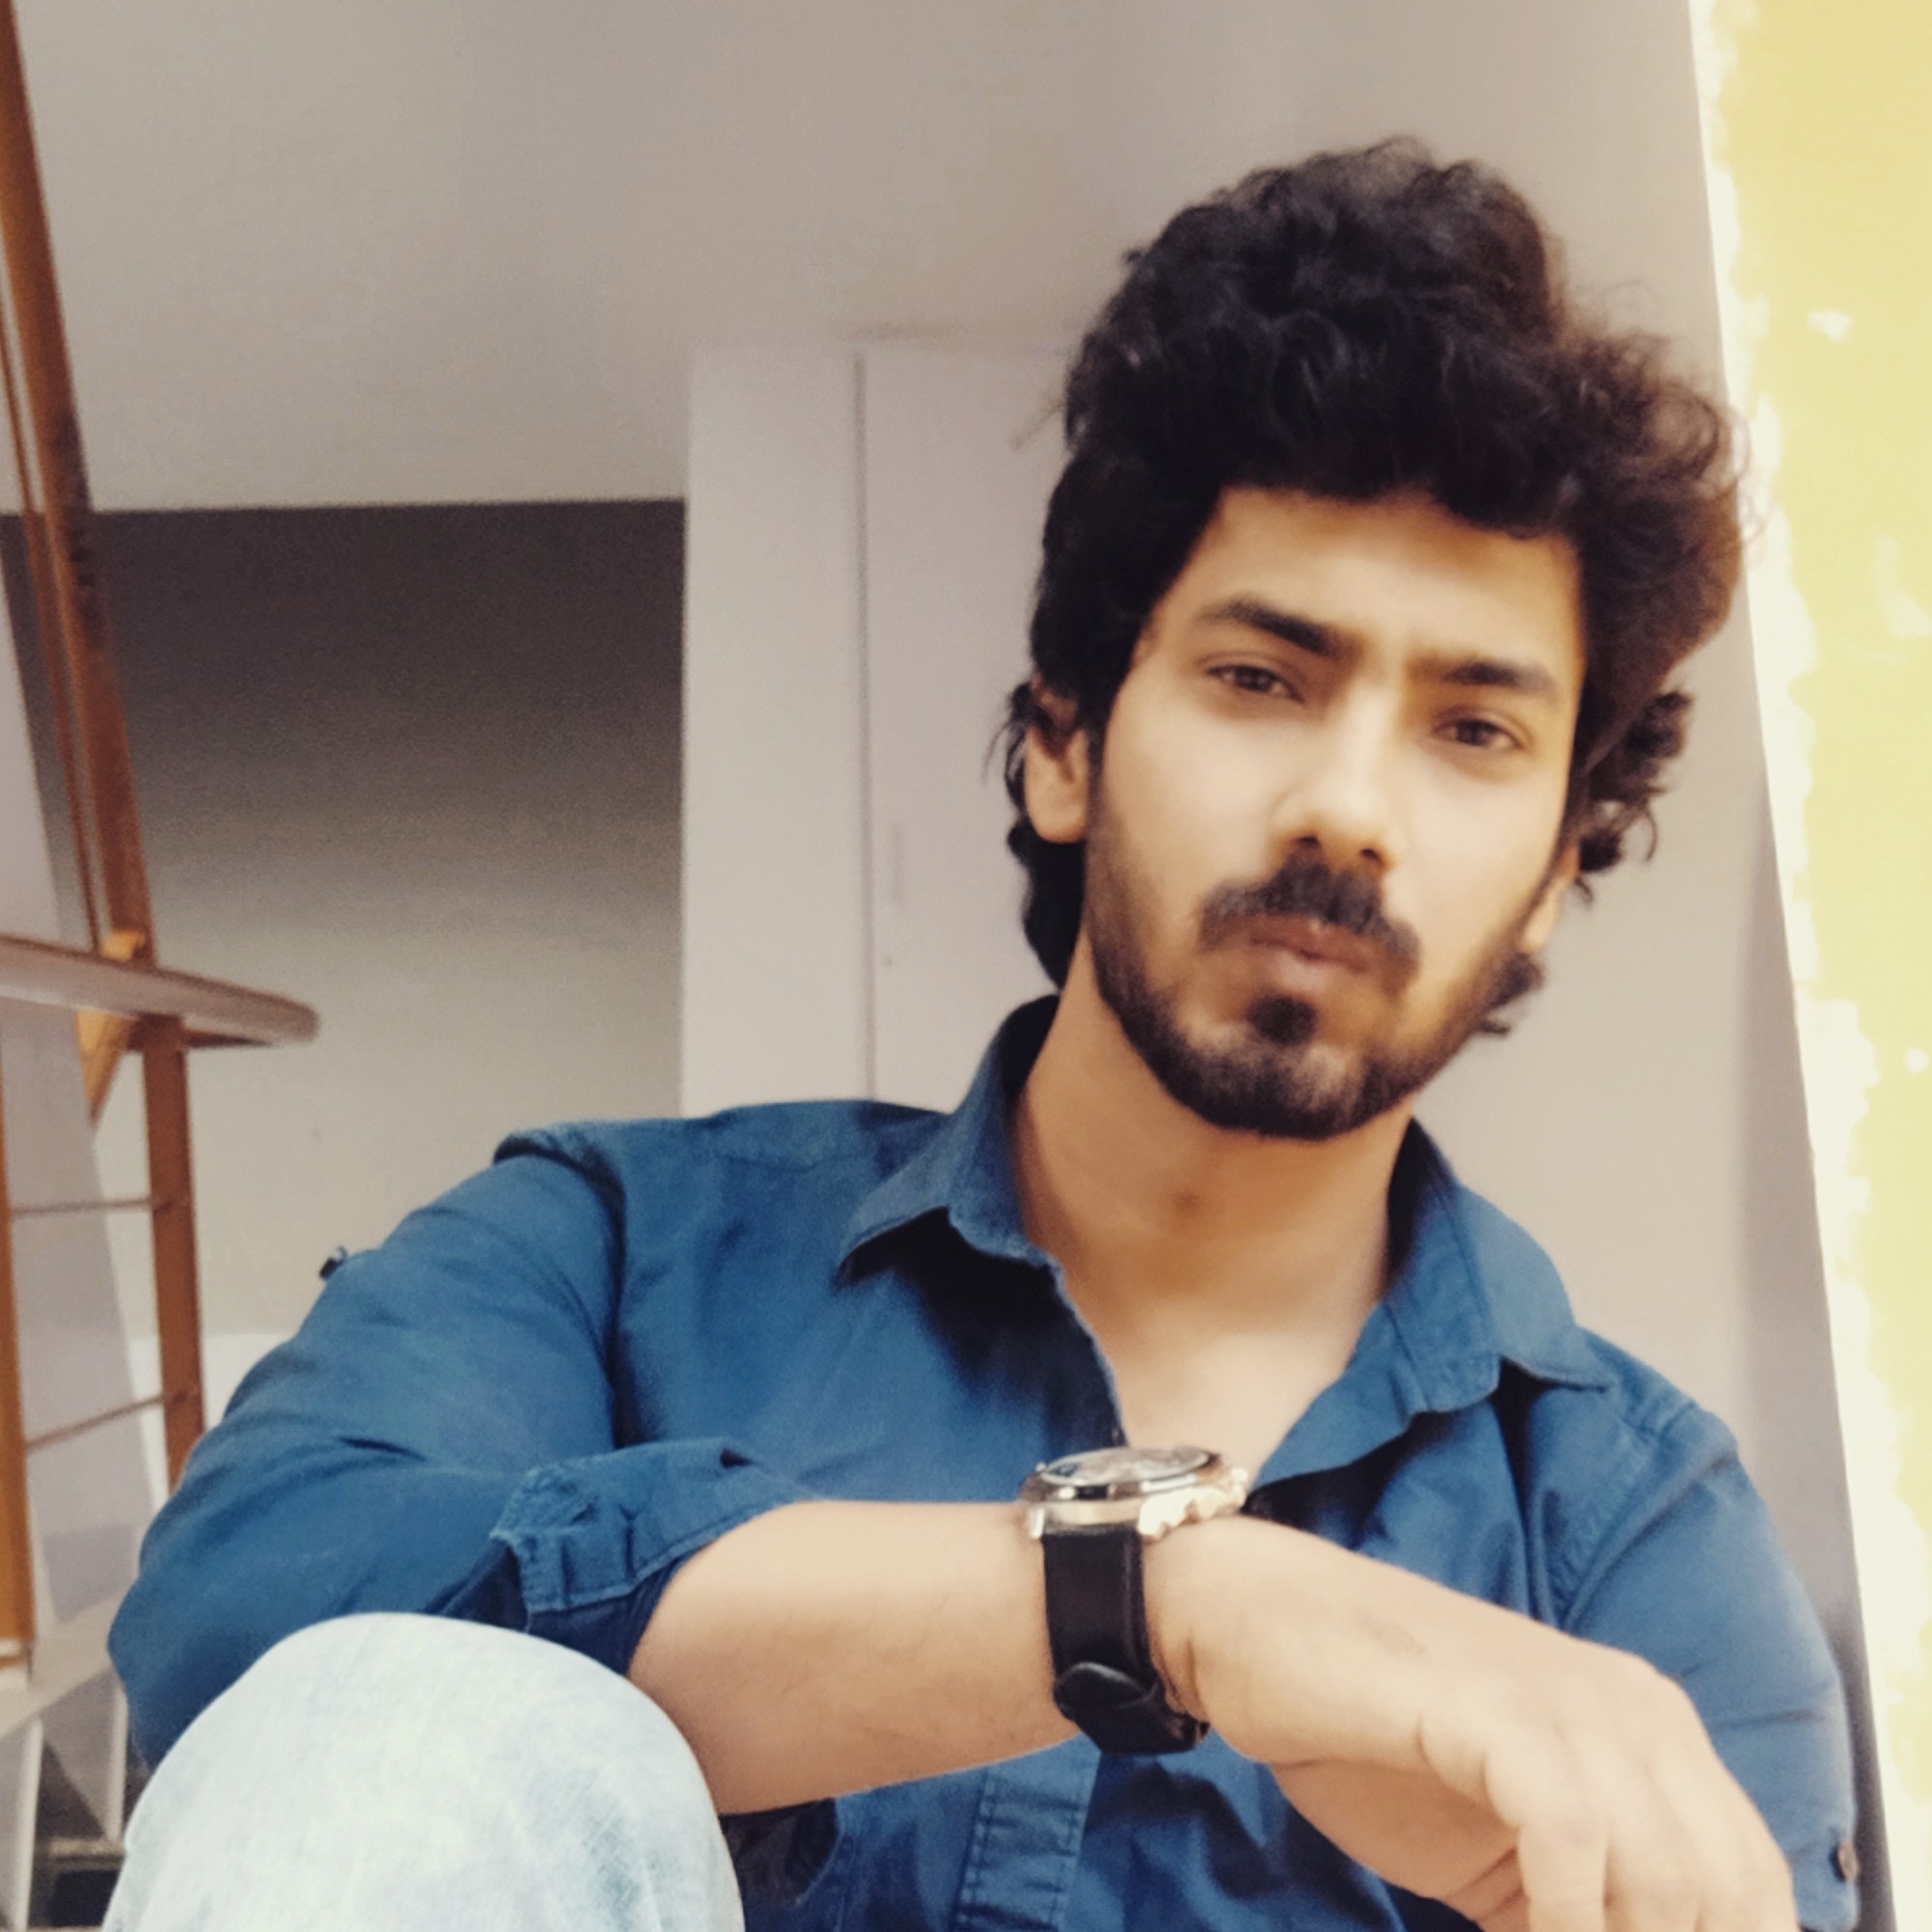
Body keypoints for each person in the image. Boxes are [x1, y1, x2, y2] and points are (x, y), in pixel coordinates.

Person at [105, 140, 1857, 1932]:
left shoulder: (1638, 1539)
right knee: (385, 1714)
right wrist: (1157, 1605)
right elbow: (248, 1603)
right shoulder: (611, 1254)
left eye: (1474, 731)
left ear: (1557, 873)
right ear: (1066, 745)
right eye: (1261, 678)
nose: (1349, 807)